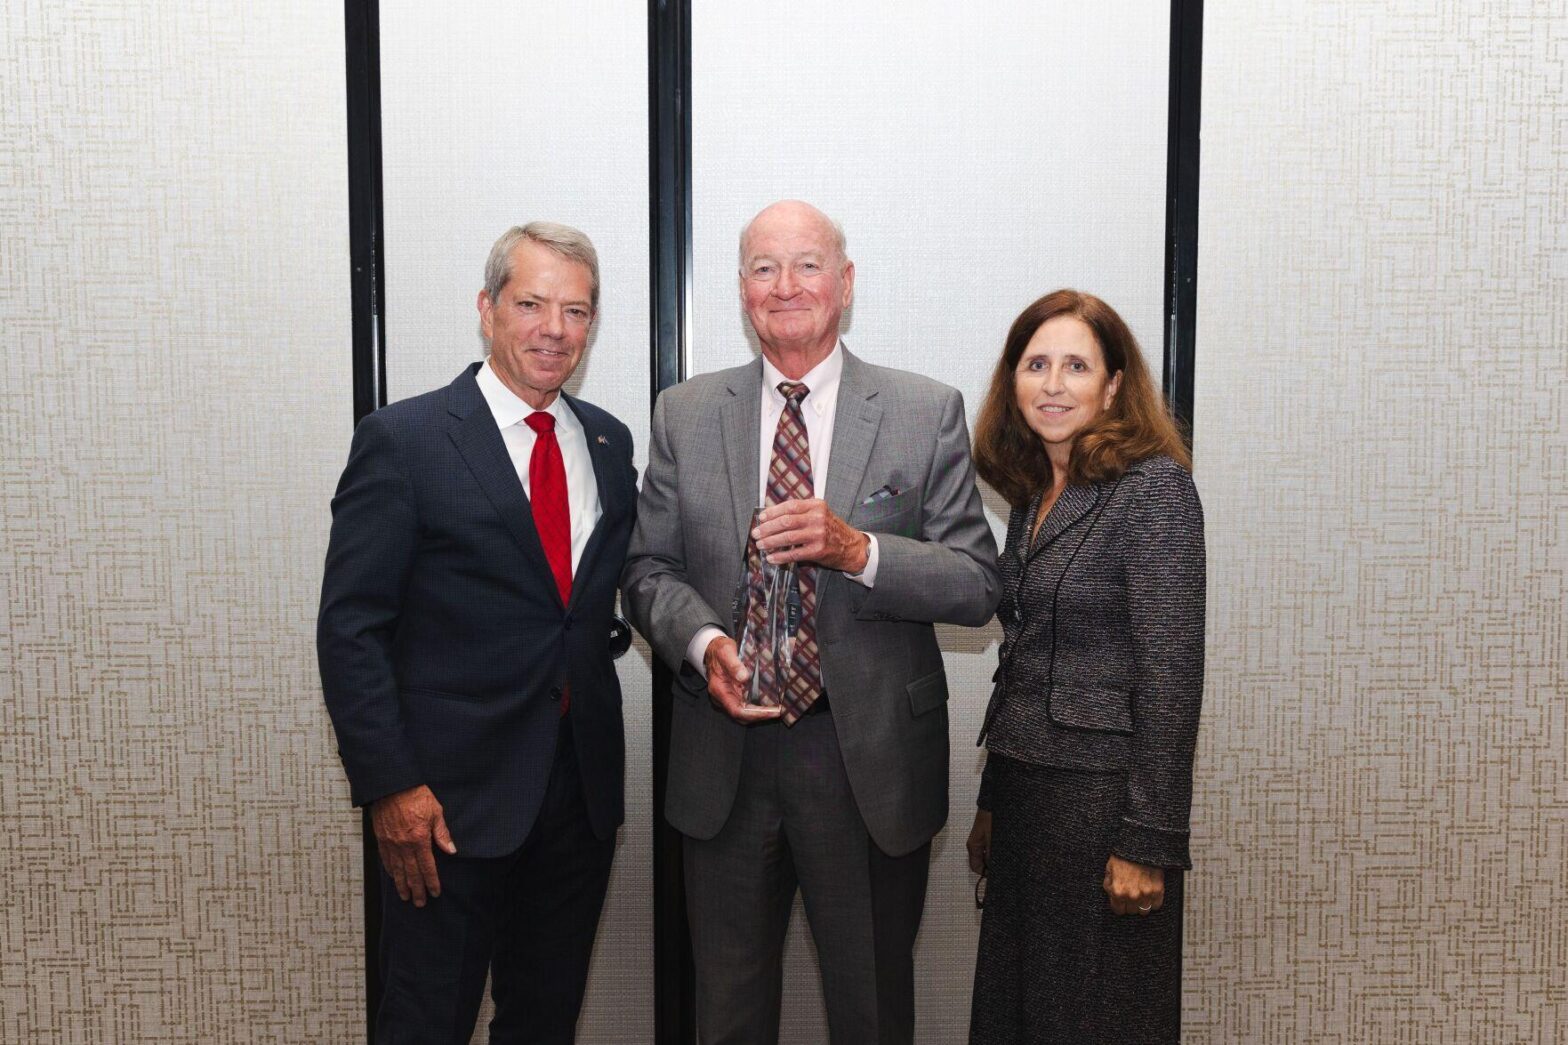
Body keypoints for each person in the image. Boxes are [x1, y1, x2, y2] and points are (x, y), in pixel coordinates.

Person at [622, 200, 999, 1044]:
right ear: (742, 290)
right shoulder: (685, 412)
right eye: (763, 268)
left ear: (846, 283)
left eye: (806, 265)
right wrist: (704, 641)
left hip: (863, 764)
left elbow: (978, 582)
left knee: (871, 1013)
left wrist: (857, 548)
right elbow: (647, 569)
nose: (785, 286)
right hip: (725, 758)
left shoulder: (922, 408)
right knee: (725, 1015)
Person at [316, 223, 638, 1044]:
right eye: (531, 303)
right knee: (426, 1021)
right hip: (443, 805)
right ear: (487, 308)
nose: (554, 329)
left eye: (575, 310)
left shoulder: (607, 441)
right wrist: (391, 786)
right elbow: (352, 627)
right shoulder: (408, 440)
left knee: (543, 1021)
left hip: (577, 797)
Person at [965, 289, 1204, 1043]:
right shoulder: (1035, 493)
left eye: (1076, 365)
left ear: (1113, 385)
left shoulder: (1154, 489)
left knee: (1099, 1017)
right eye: (1036, 364)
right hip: (1027, 800)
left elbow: (1172, 672)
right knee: (1024, 1011)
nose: (1054, 384)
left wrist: (1148, 839)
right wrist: (991, 800)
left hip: (1105, 811)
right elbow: (1023, 655)